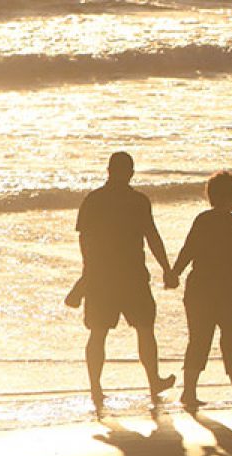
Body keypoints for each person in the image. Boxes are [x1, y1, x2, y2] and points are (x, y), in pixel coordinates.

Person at [76, 151, 176, 411]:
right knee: (144, 330)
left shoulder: (93, 200)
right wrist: (166, 268)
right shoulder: (137, 201)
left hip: (103, 278)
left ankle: (96, 388)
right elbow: (152, 236)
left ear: (108, 170)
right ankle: (153, 382)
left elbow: (85, 242)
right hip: (131, 277)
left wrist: (86, 276)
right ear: (130, 172)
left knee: (99, 333)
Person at [166, 171, 232, 408]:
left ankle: (189, 392)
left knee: (198, 340)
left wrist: (174, 273)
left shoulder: (202, 220)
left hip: (198, 290)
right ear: (227, 196)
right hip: (225, 290)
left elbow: (188, 250)